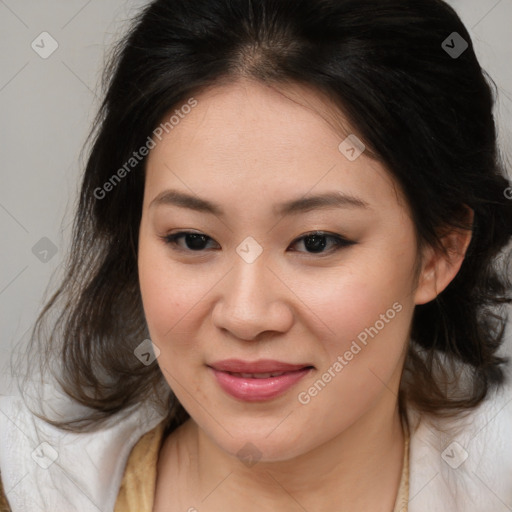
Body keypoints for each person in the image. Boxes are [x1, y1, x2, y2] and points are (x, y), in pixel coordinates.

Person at [1, 0, 512, 511]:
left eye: (316, 241)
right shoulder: (27, 487)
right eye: (193, 239)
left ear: (439, 252)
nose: (246, 316)